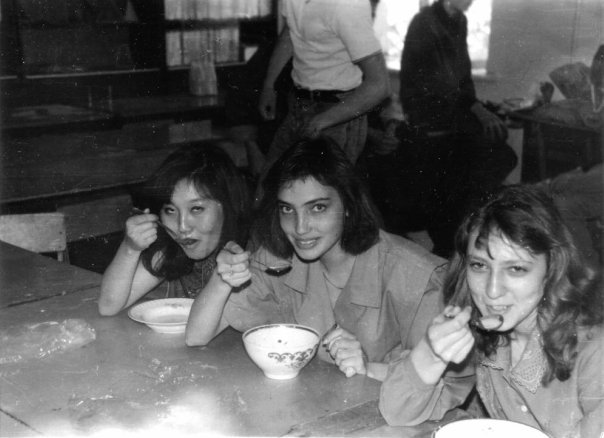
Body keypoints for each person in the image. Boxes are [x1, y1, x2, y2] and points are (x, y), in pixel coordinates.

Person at [185, 137, 448, 382]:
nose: (300, 228)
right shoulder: (279, 259)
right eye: (287, 209)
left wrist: (370, 369)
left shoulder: (418, 276)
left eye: (318, 208)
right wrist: (222, 279)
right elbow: (196, 336)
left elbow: (446, 382)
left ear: (349, 204)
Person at [379, 185, 604, 438]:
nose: (492, 290)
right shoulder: (487, 337)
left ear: (552, 270)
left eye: (516, 269)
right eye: (479, 265)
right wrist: (431, 353)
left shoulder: (593, 348)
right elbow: (398, 413)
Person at [398, 0, 517, 257]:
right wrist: (476, 109)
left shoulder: (459, 21)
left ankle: (460, 230)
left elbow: (463, 77)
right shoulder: (425, 23)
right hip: (428, 116)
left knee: (499, 149)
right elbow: (438, 83)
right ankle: (447, 240)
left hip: (453, 115)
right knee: (461, 172)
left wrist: (478, 108)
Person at [98, 142, 251, 315]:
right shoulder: (170, 250)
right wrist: (130, 248)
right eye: (170, 210)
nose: (182, 227)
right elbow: (108, 306)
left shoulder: (255, 254)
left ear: (228, 206)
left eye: (196, 209)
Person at [256, 0, 390, 177]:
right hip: (299, 106)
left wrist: (322, 121)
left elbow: (379, 85)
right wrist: (269, 85)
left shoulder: (348, 6)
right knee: (270, 186)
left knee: (321, 190)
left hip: (337, 115)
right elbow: (290, 33)